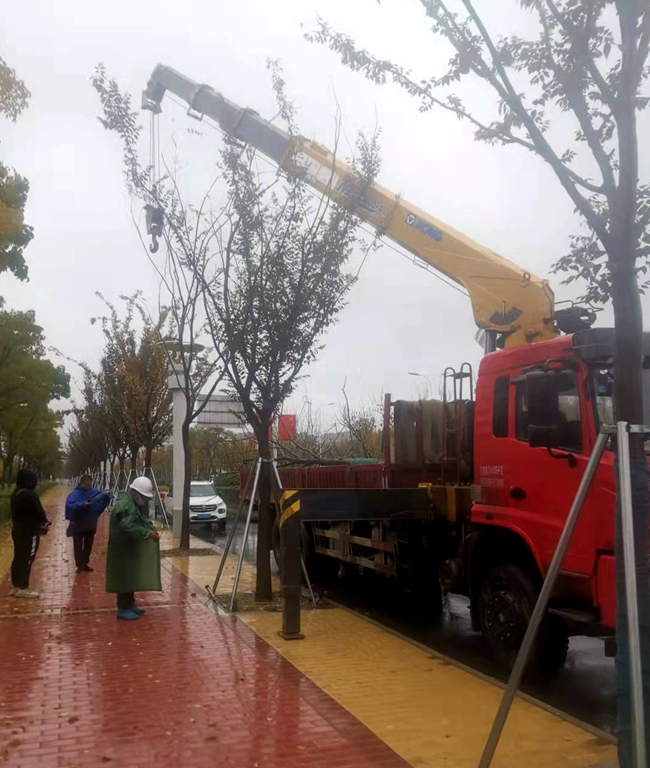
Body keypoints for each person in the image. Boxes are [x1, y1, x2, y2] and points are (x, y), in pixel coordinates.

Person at [106, 476, 161, 620]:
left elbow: (138, 520)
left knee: (130, 577)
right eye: (144, 497)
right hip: (122, 549)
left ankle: (130, 604)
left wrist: (148, 528)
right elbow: (126, 525)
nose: (144, 500)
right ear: (136, 493)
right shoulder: (125, 504)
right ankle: (123, 608)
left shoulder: (131, 503)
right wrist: (146, 533)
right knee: (124, 579)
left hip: (129, 547)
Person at [10, 469, 50, 598]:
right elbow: (39, 512)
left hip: (17, 529)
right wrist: (45, 522)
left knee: (18, 557)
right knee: (28, 558)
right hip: (29, 532)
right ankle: (23, 587)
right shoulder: (30, 495)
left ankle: (16, 585)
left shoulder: (15, 493)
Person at [65, 475, 112, 573]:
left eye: (89, 485)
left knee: (88, 545)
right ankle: (79, 565)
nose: (88, 487)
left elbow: (102, 496)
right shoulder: (75, 494)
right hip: (78, 524)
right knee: (77, 546)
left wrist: (108, 495)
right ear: (81, 483)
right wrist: (82, 505)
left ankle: (84, 563)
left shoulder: (93, 492)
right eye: (86, 485)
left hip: (90, 523)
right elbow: (70, 505)